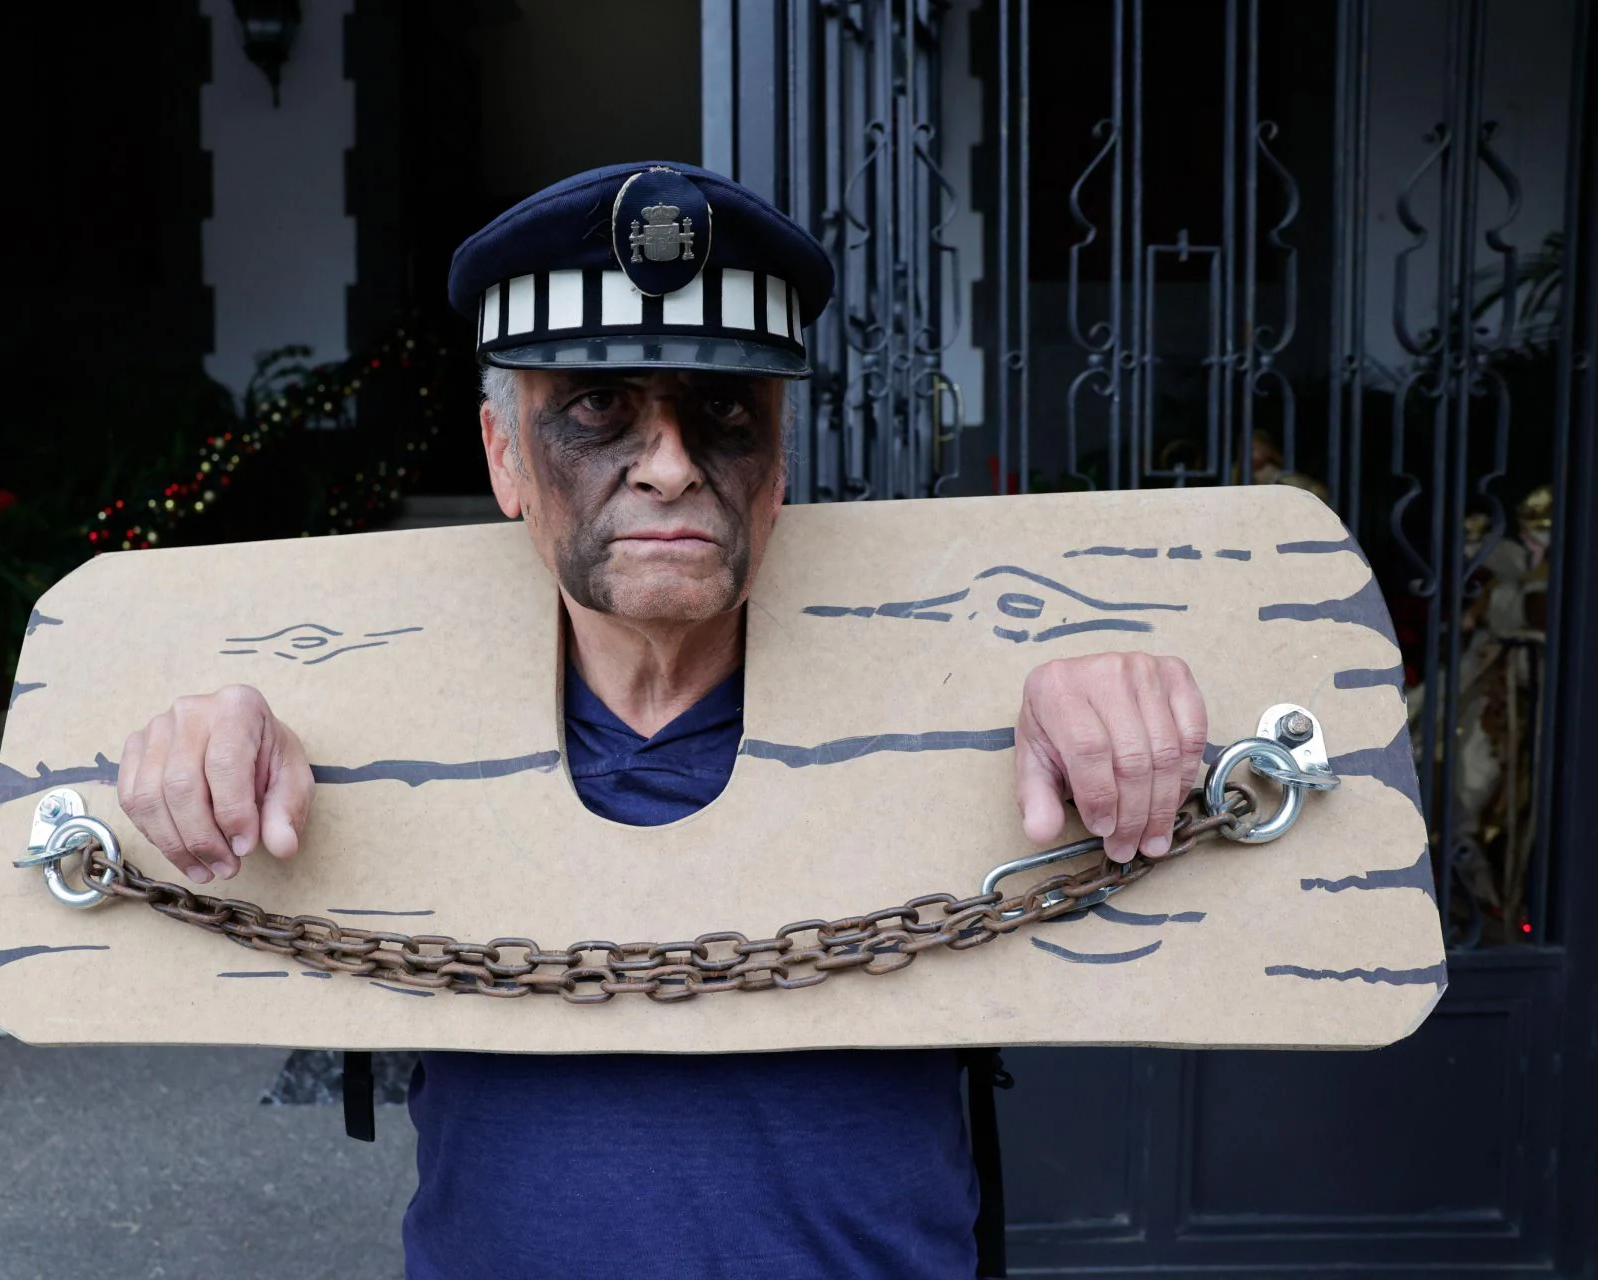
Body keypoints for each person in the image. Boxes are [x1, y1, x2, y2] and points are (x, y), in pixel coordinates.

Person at [114, 162, 1212, 1278]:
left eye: (725, 411)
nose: (673, 466)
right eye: (599, 409)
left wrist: (1112, 715)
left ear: (778, 466)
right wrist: (208, 756)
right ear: (505, 460)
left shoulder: (956, 715)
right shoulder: (373, 743)